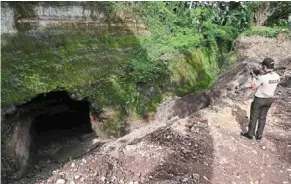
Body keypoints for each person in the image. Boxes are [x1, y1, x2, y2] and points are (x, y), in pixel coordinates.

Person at [241, 57, 280, 140]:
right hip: (269, 99)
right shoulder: (277, 76)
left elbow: (253, 87)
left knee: (254, 116)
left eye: (263, 66)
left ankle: (250, 134)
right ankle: (259, 135)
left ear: (265, 67)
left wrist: (254, 78)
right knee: (262, 117)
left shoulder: (262, 78)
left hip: (260, 99)